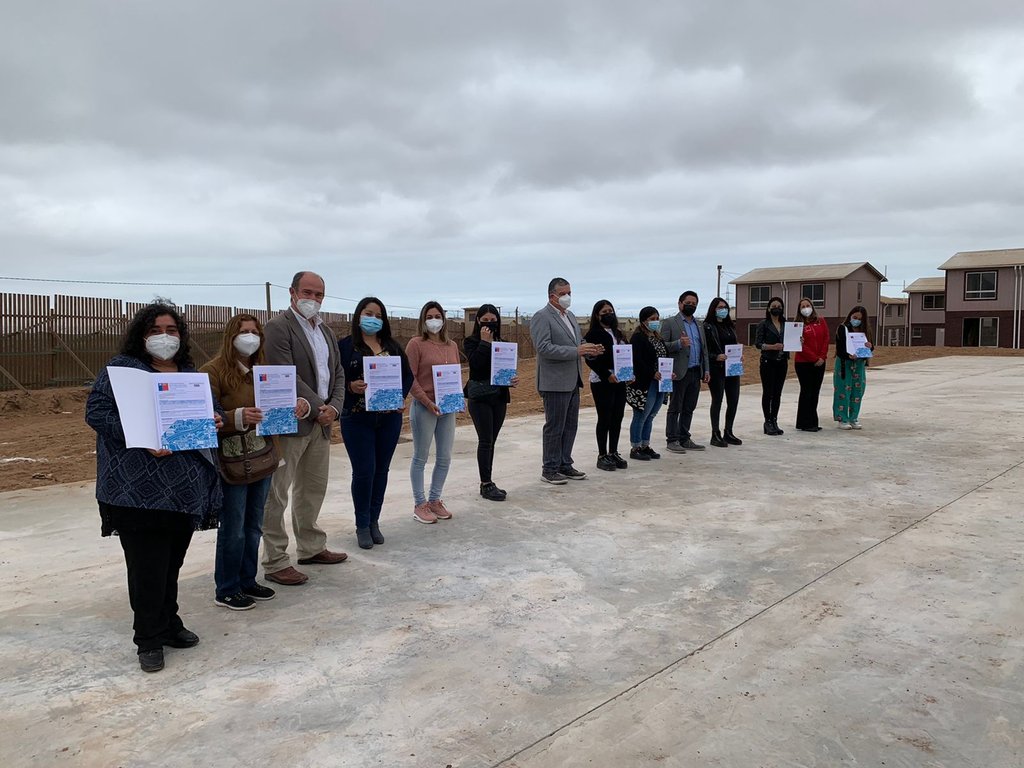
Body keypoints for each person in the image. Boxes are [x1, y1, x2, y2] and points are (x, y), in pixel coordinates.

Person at [85, 302, 222, 673]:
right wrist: (141, 436)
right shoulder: (122, 371)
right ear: (141, 335)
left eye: (172, 330)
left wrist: (215, 419)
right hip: (137, 491)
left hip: (183, 490)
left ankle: (168, 623)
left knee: (171, 563)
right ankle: (147, 638)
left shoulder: (188, 373)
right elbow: (96, 413)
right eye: (156, 330)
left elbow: (211, 411)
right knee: (147, 566)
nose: (165, 337)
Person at [201, 314, 305, 611]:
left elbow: (278, 408)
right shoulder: (212, 372)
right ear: (230, 337)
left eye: (255, 332)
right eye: (243, 332)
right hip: (233, 463)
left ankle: (248, 580)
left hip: (263, 459)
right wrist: (237, 417)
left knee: (254, 525)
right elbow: (206, 417)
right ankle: (227, 587)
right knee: (233, 527)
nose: (250, 337)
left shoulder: (265, 371)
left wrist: (295, 405)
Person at [261, 271, 348, 587]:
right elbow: (285, 373)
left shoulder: (325, 331)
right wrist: (319, 407)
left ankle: (311, 547)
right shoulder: (278, 327)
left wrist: (334, 408)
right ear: (293, 292)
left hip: (321, 423)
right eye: (307, 292)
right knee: (277, 493)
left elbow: (337, 373)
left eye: (319, 294)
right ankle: (275, 560)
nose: (313, 299)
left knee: (312, 488)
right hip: (291, 422)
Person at [340, 297, 415, 548]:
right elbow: (334, 379)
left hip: (389, 419)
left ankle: (374, 521)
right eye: (368, 313)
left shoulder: (392, 347)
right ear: (358, 315)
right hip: (357, 419)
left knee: (381, 471)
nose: (373, 319)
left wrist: (400, 397)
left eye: (378, 315)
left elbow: (407, 376)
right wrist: (350, 387)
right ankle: (362, 524)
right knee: (364, 471)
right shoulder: (345, 347)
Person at [529, 277, 604, 485]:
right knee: (555, 426)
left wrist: (590, 349)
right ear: (552, 296)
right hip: (554, 381)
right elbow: (543, 348)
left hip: (572, 380)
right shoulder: (542, 317)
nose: (567, 297)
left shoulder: (569, 316)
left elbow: (576, 343)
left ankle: (564, 463)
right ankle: (549, 468)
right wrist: (577, 351)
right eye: (563, 294)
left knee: (570, 425)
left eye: (569, 293)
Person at [407, 301, 461, 524]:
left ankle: (435, 499)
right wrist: (427, 402)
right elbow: (410, 378)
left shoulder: (452, 345)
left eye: (437, 316)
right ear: (423, 320)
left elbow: (455, 374)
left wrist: (456, 399)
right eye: (429, 316)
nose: (434, 320)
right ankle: (420, 503)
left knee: (444, 457)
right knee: (421, 456)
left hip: (447, 408)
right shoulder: (416, 344)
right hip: (424, 407)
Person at [464, 304, 519, 501]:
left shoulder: (503, 343)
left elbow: (505, 369)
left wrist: (512, 379)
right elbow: (476, 366)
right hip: (480, 398)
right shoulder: (471, 342)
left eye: (493, 320)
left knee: (492, 440)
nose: (489, 323)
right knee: (485, 440)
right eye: (485, 320)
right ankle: (486, 483)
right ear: (478, 321)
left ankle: (488, 480)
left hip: (499, 397)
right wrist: (485, 343)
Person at [583, 300, 630, 471]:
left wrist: (629, 373)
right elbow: (591, 359)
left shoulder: (618, 333)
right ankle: (602, 455)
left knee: (617, 416)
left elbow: (626, 355)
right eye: (604, 312)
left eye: (611, 311)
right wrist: (606, 374)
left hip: (620, 379)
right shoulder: (593, 335)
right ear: (597, 315)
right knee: (605, 417)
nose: (609, 314)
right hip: (603, 380)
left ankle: (613, 451)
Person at [661, 291, 709, 453]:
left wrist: (706, 369)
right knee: (675, 407)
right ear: (680, 304)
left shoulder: (699, 324)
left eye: (694, 304)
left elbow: (704, 349)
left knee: (689, 407)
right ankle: (672, 439)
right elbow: (662, 346)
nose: (691, 306)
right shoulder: (669, 323)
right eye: (688, 303)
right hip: (679, 372)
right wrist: (678, 344)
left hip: (695, 371)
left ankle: (684, 437)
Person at [626, 307, 671, 461]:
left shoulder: (658, 337)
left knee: (651, 415)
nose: (655, 321)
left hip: (661, 382)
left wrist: (668, 372)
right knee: (641, 415)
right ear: (643, 320)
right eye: (652, 319)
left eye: (657, 318)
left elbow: (664, 357)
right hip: (645, 383)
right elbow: (637, 361)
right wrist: (652, 373)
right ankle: (635, 447)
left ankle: (645, 445)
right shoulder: (638, 338)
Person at [703, 297, 742, 447]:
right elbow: (705, 350)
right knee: (717, 400)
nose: (723, 310)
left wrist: (738, 355)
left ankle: (728, 431)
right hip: (717, 368)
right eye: (720, 307)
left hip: (732, 368)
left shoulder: (730, 326)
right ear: (713, 309)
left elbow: (733, 344)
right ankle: (715, 433)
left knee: (733, 400)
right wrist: (715, 357)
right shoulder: (707, 327)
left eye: (725, 307)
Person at [833, 305, 874, 430]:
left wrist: (870, 346)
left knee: (857, 391)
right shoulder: (843, 328)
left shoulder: (865, 331)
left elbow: (870, 348)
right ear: (850, 316)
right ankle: (842, 418)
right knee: (843, 391)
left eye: (860, 319)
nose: (856, 320)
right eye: (855, 317)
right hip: (845, 364)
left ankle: (853, 418)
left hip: (859, 364)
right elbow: (839, 348)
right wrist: (848, 356)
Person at [794, 298, 830, 432]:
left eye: (807, 305)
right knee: (806, 392)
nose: (805, 308)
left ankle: (813, 421)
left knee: (815, 392)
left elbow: (826, 339)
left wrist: (822, 357)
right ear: (799, 310)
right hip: (803, 363)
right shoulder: (797, 325)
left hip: (820, 362)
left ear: (812, 307)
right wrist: (814, 358)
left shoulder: (821, 321)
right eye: (802, 306)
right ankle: (804, 423)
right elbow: (799, 346)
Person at [755, 296, 789, 436]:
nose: (776, 309)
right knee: (768, 392)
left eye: (779, 307)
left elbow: (791, 341)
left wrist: (798, 341)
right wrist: (772, 347)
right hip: (768, 361)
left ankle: (774, 420)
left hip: (782, 361)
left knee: (777, 393)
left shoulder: (786, 324)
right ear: (769, 308)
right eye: (774, 306)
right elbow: (758, 344)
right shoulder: (764, 324)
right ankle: (767, 421)